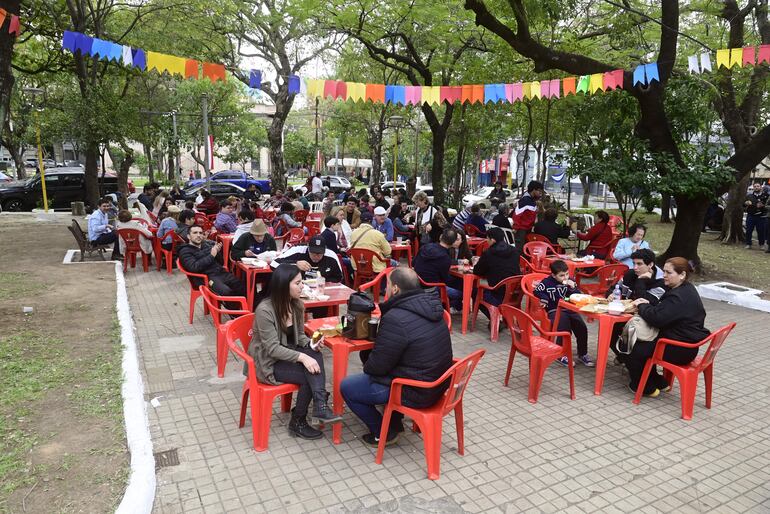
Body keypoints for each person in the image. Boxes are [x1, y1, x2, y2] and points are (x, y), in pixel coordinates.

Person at [340, 268, 453, 445]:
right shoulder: (432, 305)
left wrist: (369, 367)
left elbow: (377, 366)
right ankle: (394, 419)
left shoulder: (396, 317)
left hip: (417, 390)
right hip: (438, 382)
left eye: (389, 284)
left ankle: (384, 433)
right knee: (370, 358)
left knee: (347, 386)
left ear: (395, 289)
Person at [249, 264, 341, 439]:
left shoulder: (297, 305)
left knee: (315, 356)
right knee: (309, 372)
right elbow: (272, 348)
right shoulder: (264, 310)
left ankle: (319, 405)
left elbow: (299, 337)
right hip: (268, 362)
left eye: (302, 282)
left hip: (288, 354)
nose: (302, 287)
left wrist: (312, 343)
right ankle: (299, 420)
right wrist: (303, 357)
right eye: (298, 283)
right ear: (284, 285)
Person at [625, 257, 710, 397]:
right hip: (687, 344)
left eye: (669, 272)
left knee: (631, 345)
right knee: (643, 344)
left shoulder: (678, 296)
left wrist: (641, 306)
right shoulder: (686, 288)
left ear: (682, 275)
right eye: (663, 271)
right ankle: (659, 381)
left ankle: (643, 387)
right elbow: (665, 312)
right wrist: (647, 305)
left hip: (679, 348)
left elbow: (657, 319)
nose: (664, 275)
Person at [607, 249, 667, 361]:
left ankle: (630, 361)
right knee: (608, 330)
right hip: (624, 315)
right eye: (633, 263)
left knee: (631, 336)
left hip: (646, 322)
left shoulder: (662, 282)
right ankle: (624, 358)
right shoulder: (630, 274)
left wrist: (641, 281)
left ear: (650, 265)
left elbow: (643, 301)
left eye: (639, 264)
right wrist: (610, 294)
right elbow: (614, 288)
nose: (635, 267)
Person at [534, 260, 594, 366]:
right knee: (564, 328)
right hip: (554, 310)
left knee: (582, 327)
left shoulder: (570, 281)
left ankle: (583, 353)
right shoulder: (546, 282)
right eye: (562, 275)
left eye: (567, 274)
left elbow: (577, 296)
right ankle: (561, 354)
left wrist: (573, 287)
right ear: (553, 275)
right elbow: (537, 291)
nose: (565, 277)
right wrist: (544, 298)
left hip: (569, 308)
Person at [177, 225, 247, 300]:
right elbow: (193, 267)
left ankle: (250, 308)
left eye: (200, 233)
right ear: (188, 236)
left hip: (220, 273)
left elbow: (221, 263)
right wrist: (211, 256)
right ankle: (236, 310)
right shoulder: (185, 251)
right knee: (226, 292)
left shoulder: (206, 245)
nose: (198, 235)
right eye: (195, 233)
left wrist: (217, 252)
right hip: (205, 278)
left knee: (243, 286)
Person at [473, 227, 521, 316]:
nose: (486, 240)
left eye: (487, 238)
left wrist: (476, 263)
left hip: (496, 291)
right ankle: (503, 317)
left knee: (474, 291)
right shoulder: (514, 250)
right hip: (515, 293)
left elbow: (477, 271)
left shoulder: (489, 253)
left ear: (493, 240)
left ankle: (495, 316)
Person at [412, 227, 462, 311]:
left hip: (417, 282)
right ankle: (451, 307)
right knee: (461, 293)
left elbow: (413, 263)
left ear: (440, 237)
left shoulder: (425, 247)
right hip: (433, 287)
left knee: (456, 283)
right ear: (453, 242)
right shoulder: (445, 258)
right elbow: (444, 279)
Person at [272, 236, 343, 283]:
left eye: (319, 254)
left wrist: (324, 281)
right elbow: (273, 264)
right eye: (313, 253)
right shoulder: (298, 250)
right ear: (308, 248)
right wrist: (295, 264)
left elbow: (339, 278)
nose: (316, 256)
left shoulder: (331, 256)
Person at [512, 180, 544, 248]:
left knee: (525, 249)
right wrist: (515, 227)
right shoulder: (525, 200)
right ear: (533, 190)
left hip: (528, 229)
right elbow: (517, 214)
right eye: (539, 191)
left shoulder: (532, 200)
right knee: (519, 250)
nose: (540, 193)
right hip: (521, 230)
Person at [744, 182, 768, 249]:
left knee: (761, 231)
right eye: (755, 186)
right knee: (748, 230)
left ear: (761, 187)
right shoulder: (749, 196)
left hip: (761, 216)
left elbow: (768, 206)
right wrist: (746, 203)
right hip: (751, 215)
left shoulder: (766, 196)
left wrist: (763, 206)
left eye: (758, 186)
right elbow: (743, 205)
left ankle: (761, 244)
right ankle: (748, 244)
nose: (756, 187)